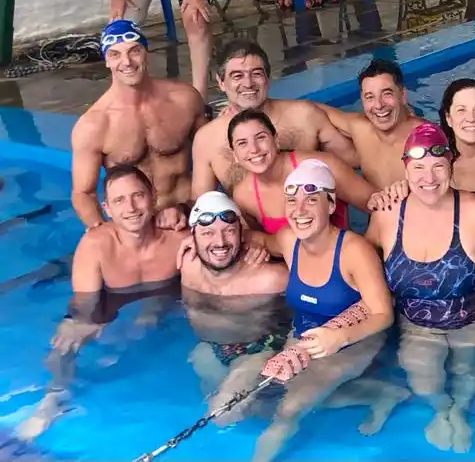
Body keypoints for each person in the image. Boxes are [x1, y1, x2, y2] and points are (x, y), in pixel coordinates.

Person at [17, 165, 187, 440]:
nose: (130, 207)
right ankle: (53, 398)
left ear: (153, 197)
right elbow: (85, 301)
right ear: (107, 208)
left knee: (154, 320)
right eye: (119, 200)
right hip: (110, 299)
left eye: (137, 196)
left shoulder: (179, 240)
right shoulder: (95, 244)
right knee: (65, 343)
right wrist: (86, 322)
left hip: (163, 296)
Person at [249, 160, 398, 462]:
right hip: (304, 337)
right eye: (292, 201)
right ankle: (378, 393)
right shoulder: (289, 241)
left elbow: (383, 313)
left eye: (311, 200)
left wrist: (340, 336)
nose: (300, 210)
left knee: (290, 408)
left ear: (330, 204)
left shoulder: (355, 251)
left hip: (354, 342)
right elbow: (255, 239)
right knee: (259, 397)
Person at [364, 122, 475, 452]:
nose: (429, 177)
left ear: (451, 166)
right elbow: (362, 264)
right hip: (416, 324)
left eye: (438, 166)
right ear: (405, 169)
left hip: (474, 318)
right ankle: (442, 410)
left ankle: (461, 411)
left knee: (468, 371)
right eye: (419, 168)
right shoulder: (387, 213)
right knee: (421, 378)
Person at [71, 19, 207, 232]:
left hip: (191, 213)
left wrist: (191, 208)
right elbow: (83, 193)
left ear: (146, 53)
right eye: (115, 54)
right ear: (106, 61)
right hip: (135, 228)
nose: (127, 62)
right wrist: (103, 232)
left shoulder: (185, 99)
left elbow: (212, 156)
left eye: (134, 51)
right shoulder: (93, 125)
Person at [191, 41, 358, 198]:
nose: (248, 83)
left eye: (256, 74)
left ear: (268, 79)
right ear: (221, 83)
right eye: (237, 76)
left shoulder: (304, 115)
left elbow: (356, 159)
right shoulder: (207, 139)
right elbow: (201, 204)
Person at [181, 191, 292, 424]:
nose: (219, 242)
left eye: (229, 231)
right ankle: (372, 392)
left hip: (260, 349)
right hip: (212, 348)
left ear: (242, 235)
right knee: (259, 407)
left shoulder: (270, 279)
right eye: (208, 233)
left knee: (222, 414)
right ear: (192, 237)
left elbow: (307, 315)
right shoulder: (187, 267)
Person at [225, 110, 376, 233]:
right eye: (242, 143)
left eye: (260, 138)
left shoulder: (322, 166)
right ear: (235, 155)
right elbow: (263, 245)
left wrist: (367, 248)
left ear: (276, 140)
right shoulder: (243, 196)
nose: (254, 149)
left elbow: (379, 207)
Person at [319, 58, 427, 189]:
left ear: (403, 95)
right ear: (362, 101)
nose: (378, 105)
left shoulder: (426, 138)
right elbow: (313, 111)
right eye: (370, 97)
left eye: (387, 94)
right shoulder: (360, 127)